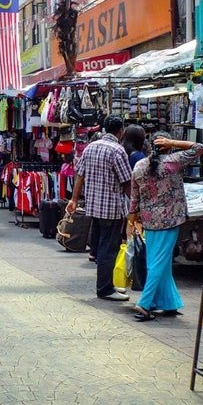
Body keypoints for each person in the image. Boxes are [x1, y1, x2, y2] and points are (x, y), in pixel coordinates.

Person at [128, 133, 203, 321]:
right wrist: (174, 142)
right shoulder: (173, 161)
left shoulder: (139, 165)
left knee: (157, 261)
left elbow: (134, 197)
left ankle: (169, 302)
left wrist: (132, 217)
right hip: (170, 219)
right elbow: (199, 147)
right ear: (167, 146)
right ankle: (145, 304)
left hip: (149, 219)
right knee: (159, 263)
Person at [67, 116, 132, 302]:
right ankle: (104, 289)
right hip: (111, 208)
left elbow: (80, 175)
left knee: (101, 247)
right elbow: (126, 182)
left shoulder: (91, 147)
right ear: (120, 132)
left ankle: (107, 285)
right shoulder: (117, 150)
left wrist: (73, 199)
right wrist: (136, 205)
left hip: (94, 206)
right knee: (108, 248)